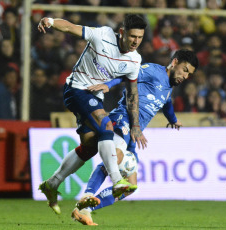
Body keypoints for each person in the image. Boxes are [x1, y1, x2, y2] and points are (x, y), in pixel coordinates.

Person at [72, 49, 199, 225]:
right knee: (115, 157)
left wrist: (173, 120)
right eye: (185, 70)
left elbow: (167, 104)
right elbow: (128, 75)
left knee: (130, 187)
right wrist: (109, 85)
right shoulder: (154, 71)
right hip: (122, 119)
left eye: (189, 74)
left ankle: (86, 209)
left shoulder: (169, 89)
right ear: (175, 62)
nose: (185, 76)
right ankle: (86, 199)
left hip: (135, 134)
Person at [37, 14, 148, 215]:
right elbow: (71, 27)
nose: (135, 42)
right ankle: (117, 181)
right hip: (76, 89)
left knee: (89, 147)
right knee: (106, 126)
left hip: (94, 98)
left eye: (140, 38)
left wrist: (136, 125)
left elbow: (132, 94)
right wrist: (51, 22)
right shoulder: (103, 35)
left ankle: (52, 184)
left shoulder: (134, 60)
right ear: (122, 32)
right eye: (132, 36)